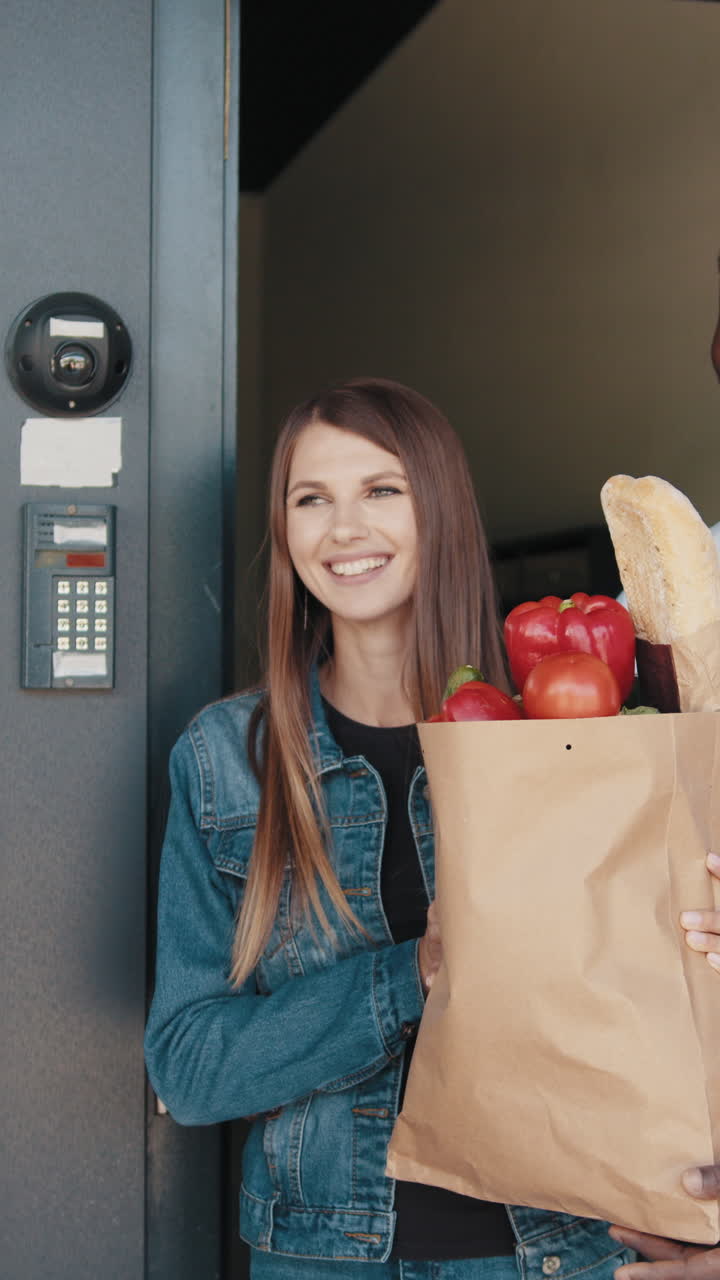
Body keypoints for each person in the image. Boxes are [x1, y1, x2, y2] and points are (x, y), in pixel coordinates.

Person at [144, 377, 720, 1279]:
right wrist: (412, 972)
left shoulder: (578, 725)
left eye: (381, 490)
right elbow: (186, 1066)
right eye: (311, 499)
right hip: (321, 1257)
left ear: (439, 509)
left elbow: (676, 1003)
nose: (344, 529)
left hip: (559, 1248)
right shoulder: (228, 759)